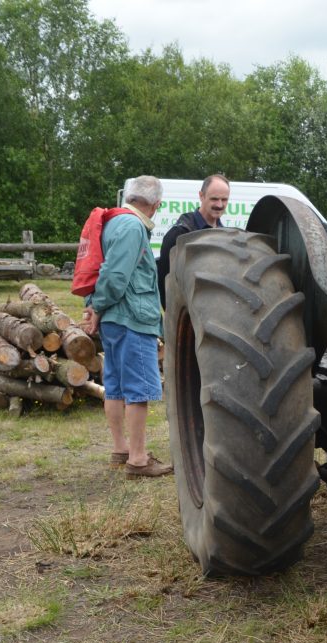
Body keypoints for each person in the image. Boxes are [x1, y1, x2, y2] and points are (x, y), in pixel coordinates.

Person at [81, 175, 174, 479]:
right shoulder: (133, 226)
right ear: (156, 204)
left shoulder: (113, 222)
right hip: (131, 318)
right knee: (137, 391)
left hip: (114, 319)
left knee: (116, 387)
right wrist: (98, 307)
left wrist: (95, 308)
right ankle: (138, 459)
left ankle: (121, 449)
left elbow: (101, 270)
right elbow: (115, 275)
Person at [157, 174, 231, 308]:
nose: (220, 205)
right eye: (214, 199)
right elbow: (164, 278)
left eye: (224, 199)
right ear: (201, 196)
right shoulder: (181, 233)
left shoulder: (225, 235)